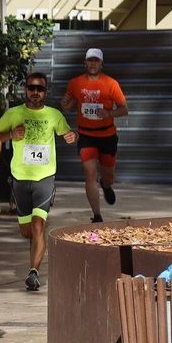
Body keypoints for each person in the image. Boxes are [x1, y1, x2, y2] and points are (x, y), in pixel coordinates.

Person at [0, 72, 77, 291]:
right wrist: (10, 135)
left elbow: (69, 133)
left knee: (39, 225)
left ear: (45, 92)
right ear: (25, 90)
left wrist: (72, 136)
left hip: (45, 177)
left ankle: (34, 272)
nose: (35, 92)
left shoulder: (54, 115)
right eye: (31, 88)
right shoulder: (14, 113)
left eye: (39, 89)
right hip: (20, 178)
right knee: (27, 231)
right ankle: (36, 246)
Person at [62, 47, 128, 222]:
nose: (93, 64)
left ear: (101, 64)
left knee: (108, 174)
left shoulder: (111, 84)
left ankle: (106, 185)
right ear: (85, 63)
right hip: (86, 135)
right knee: (90, 173)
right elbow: (67, 105)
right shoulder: (75, 83)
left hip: (107, 135)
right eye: (90, 60)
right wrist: (66, 104)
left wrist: (109, 113)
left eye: (96, 61)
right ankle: (97, 215)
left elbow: (124, 109)